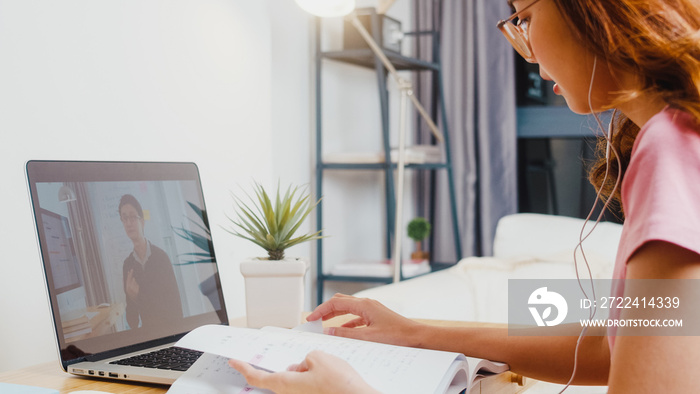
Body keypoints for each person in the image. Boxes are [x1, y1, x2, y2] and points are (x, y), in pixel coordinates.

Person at [231, 0, 700, 392]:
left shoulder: (670, 149)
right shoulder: (678, 135)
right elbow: (606, 348)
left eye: (525, 18)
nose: (529, 53)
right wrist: (412, 333)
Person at [119, 194, 183, 329]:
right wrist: (131, 298)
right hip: (148, 335)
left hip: (169, 331)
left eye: (132, 217)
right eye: (124, 218)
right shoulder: (128, 265)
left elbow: (173, 308)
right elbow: (132, 322)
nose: (129, 223)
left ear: (142, 221)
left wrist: (137, 297)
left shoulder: (161, 258)